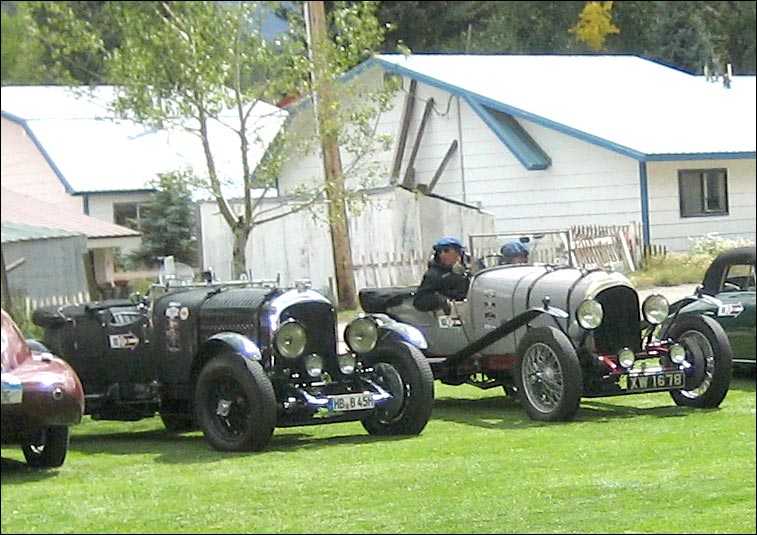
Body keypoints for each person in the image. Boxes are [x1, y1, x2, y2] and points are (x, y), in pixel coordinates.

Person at [413, 236, 470, 313]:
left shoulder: (473, 265)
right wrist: (440, 300)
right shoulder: (434, 274)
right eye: (439, 252)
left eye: (446, 250)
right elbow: (419, 301)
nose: (442, 254)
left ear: (458, 252)